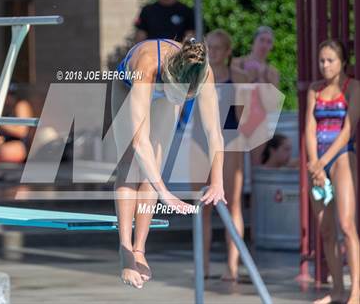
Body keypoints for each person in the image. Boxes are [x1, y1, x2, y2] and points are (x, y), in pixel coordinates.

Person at [113, 37, 226, 289]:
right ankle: (125, 249)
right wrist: (165, 193)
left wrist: (217, 180)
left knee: (157, 162)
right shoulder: (147, 64)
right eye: (181, 95)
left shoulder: (203, 72)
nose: (184, 100)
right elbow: (139, 143)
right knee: (129, 165)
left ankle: (140, 248)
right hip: (127, 84)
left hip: (166, 90)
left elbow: (214, 133)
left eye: (188, 97)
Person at [190, 29, 248, 281]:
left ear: (227, 52)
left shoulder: (238, 77)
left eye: (217, 48)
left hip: (229, 142)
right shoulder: (196, 75)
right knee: (200, 206)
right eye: (208, 47)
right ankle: (202, 264)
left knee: (231, 203)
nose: (211, 52)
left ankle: (232, 265)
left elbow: (244, 116)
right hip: (198, 141)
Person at [306, 39, 360, 304]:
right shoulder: (314, 90)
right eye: (321, 60)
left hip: (341, 156)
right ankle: (337, 289)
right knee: (326, 230)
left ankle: (356, 292)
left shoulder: (353, 87)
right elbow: (308, 128)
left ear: (342, 62)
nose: (325, 65)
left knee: (347, 224)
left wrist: (323, 161)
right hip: (318, 162)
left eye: (330, 60)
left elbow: (348, 128)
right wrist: (315, 163)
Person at [231, 26, 280, 165]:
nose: (264, 45)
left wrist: (261, 79)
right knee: (234, 165)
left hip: (258, 122)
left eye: (269, 42)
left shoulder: (271, 73)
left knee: (257, 165)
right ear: (254, 42)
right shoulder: (236, 64)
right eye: (262, 40)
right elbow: (230, 90)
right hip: (236, 118)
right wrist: (247, 78)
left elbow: (272, 105)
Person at [0, 85, 33, 163]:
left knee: (1, 151)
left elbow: (22, 131)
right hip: (8, 143)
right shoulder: (7, 108)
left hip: (20, 146)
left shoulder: (21, 105)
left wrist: (0, 123)